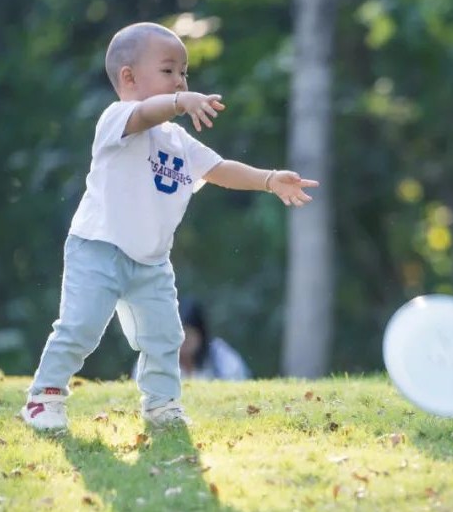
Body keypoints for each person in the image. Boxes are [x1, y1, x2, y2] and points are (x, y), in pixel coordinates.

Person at [20, 22, 318, 430]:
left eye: (184, 73)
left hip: (151, 261)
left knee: (165, 337)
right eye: (168, 71)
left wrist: (268, 179)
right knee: (80, 328)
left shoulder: (177, 140)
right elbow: (145, 112)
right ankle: (45, 396)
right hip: (98, 247)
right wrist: (180, 101)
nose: (180, 80)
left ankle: (161, 405)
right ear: (128, 76)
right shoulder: (116, 119)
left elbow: (218, 169)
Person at [132, 298, 251, 381]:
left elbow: (238, 384)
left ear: (201, 334)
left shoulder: (220, 357)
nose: (183, 340)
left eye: (188, 334)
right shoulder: (154, 357)